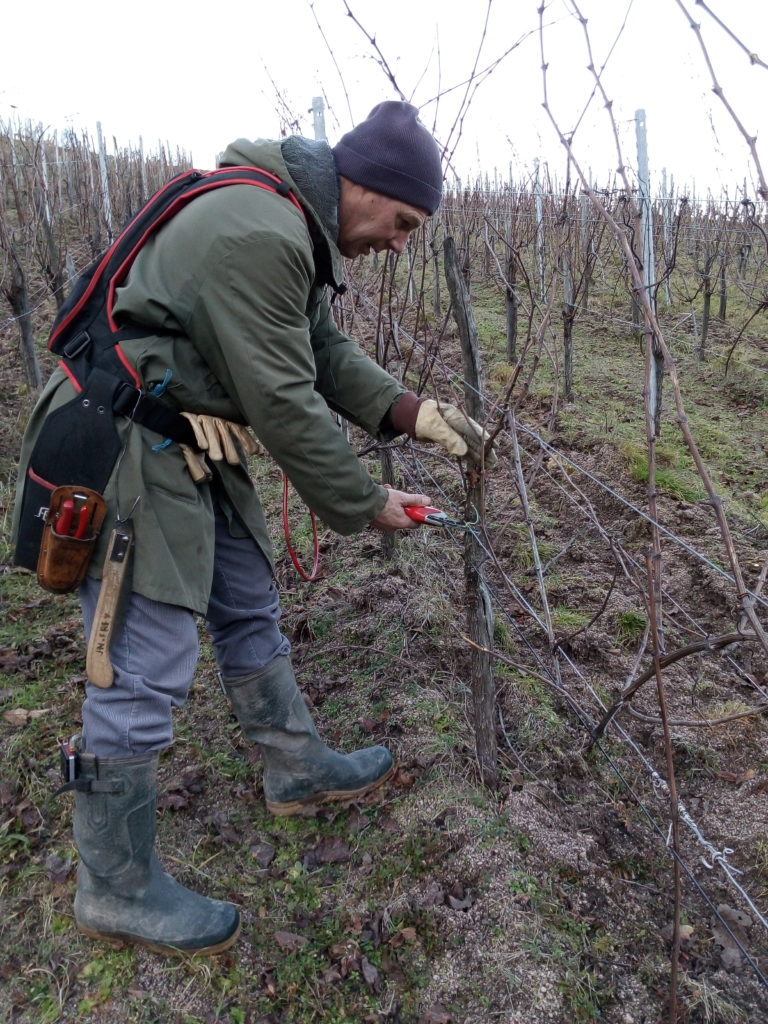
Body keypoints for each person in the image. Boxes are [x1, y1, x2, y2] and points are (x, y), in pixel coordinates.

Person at [12, 101, 492, 956]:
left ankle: (297, 766)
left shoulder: (288, 221)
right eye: (403, 222)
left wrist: (409, 412)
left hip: (183, 430)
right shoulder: (260, 231)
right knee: (138, 659)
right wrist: (363, 503)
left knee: (245, 597)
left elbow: (318, 348)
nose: (401, 244)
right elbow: (282, 398)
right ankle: (113, 886)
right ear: (364, 186)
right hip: (125, 441)